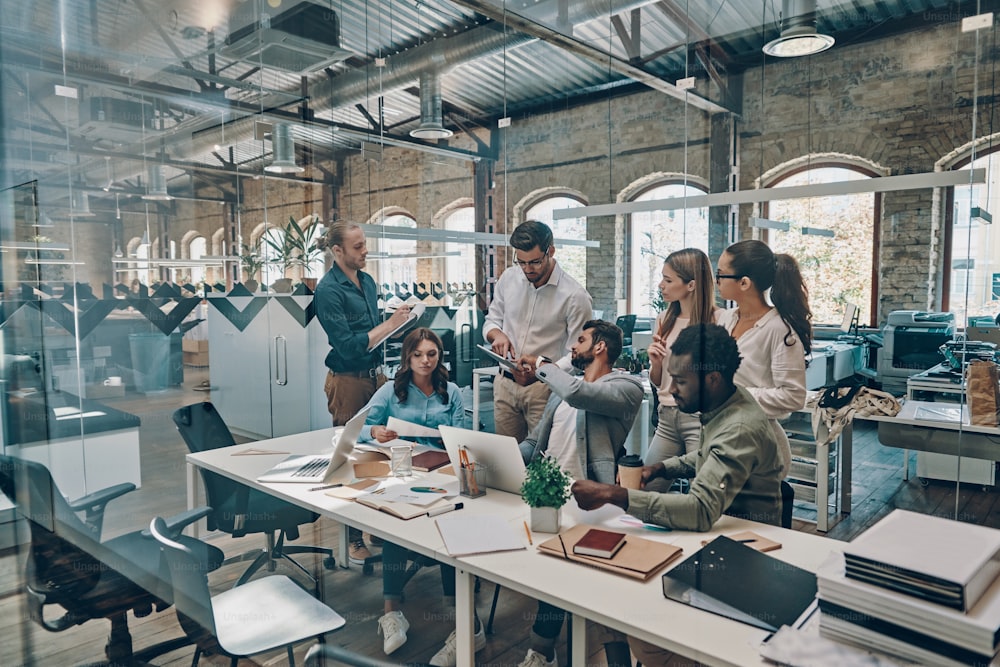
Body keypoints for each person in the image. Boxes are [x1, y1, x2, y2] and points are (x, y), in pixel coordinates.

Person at [571, 323, 783, 665]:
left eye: (681, 381)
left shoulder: (739, 426)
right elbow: (706, 456)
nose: (671, 389)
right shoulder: (729, 401)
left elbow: (699, 511)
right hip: (716, 536)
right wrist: (663, 468)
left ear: (712, 378)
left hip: (739, 555)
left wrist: (616, 494)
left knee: (638, 622)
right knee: (606, 589)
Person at [507, 319, 644, 667]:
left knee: (602, 589)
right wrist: (497, 455)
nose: (573, 347)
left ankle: (613, 661)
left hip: (594, 501)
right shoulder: (566, 387)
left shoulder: (626, 387)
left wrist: (541, 365)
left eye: (580, 340)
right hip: (547, 493)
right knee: (551, 573)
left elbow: (579, 395)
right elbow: (534, 443)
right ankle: (541, 651)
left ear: (600, 347)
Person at [358, 328, 477, 664]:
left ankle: (463, 622)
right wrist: (375, 431)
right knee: (397, 524)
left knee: (451, 529)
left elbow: (462, 439)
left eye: (432, 354)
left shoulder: (450, 392)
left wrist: (448, 440)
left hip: (441, 475)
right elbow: (359, 427)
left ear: (439, 356)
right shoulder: (389, 392)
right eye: (418, 355)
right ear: (407, 357)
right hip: (402, 474)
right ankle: (392, 612)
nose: (426, 361)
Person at [314, 220, 414, 565]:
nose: (364, 250)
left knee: (378, 451)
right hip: (348, 380)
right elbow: (347, 346)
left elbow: (373, 334)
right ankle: (352, 538)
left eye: (364, 243)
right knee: (351, 456)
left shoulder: (368, 282)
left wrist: (397, 324)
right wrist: (390, 325)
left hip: (375, 377)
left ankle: (374, 525)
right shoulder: (328, 290)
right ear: (337, 251)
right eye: (357, 246)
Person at [483, 220, 592, 442]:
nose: (527, 269)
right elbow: (491, 320)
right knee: (507, 459)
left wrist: (543, 371)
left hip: (545, 390)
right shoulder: (509, 279)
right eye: (521, 262)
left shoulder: (575, 296)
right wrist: (498, 334)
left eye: (534, 262)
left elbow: (579, 354)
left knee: (542, 460)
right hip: (504, 384)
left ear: (550, 250)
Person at [714, 239, 812, 477]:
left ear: (744, 283)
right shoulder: (725, 319)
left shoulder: (779, 330)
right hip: (724, 436)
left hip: (760, 446)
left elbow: (794, 396)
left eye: (720, 275)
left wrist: (734, 396)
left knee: (744, 515)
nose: (716, 281)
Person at [644, 248, 716, 471]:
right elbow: (657, 382)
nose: (660, 286)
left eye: (668, 280)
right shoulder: (664, 319)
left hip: (700, 420)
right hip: (666, 418)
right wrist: (656, 363)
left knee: (703, 493)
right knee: (644, 489)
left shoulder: (717, 321)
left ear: (691, 285)